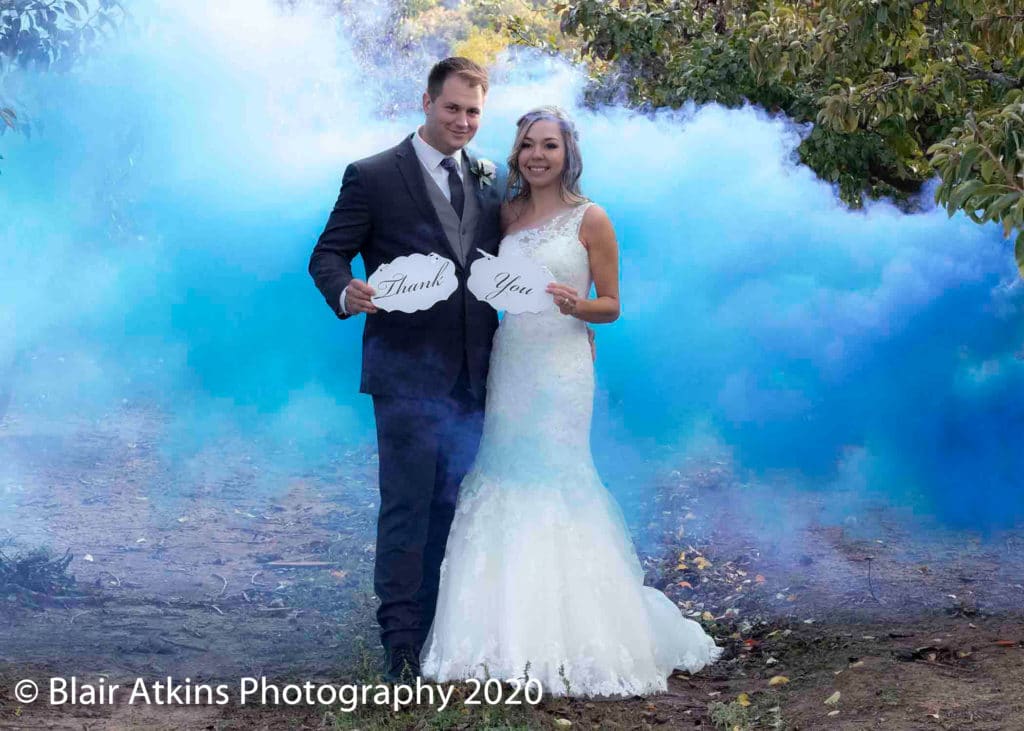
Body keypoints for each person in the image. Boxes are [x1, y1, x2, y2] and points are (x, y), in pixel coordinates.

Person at [419, 106, 723, 696]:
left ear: (568, 154)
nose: (537, 155)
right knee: (501, 473)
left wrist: (576, 307)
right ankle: (494, 638)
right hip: (512, 360)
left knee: (556, 477)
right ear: (517, 153)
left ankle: (578, 637)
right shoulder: (505, 214)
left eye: (549, 146)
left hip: (560, 369)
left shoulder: (592, 218)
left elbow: (611, 305)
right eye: (528, 145)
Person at [308, 57, 502, 682]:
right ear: (426, 102)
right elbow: (327, 255)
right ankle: (399, 644)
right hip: (405, 373)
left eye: (474, 112)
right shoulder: (371, 176)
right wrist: (347, 290)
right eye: (453, 108)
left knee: (454, 503)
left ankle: (441, 626)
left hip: (477, 372)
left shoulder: (491, 178)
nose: (463, 122)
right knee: (407, 505)